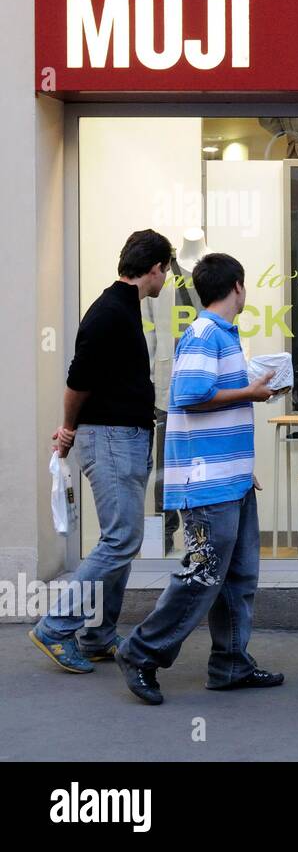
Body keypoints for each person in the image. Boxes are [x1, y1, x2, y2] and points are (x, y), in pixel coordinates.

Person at [115, 253, 279, 705]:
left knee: (238, 577)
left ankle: (230, 664)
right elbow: (189, 396)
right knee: (202, 574)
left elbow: (207, 407)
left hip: (230, 480)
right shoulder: (206, 333)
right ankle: (141, 652)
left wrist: (244, 470)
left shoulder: (220, 333)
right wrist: (252, 391)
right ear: (239, 288)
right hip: (208, 487)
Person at [30, 229, 173, 673]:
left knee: (121, 539)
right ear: (154, 270)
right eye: (165, 271)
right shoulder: (110, 311)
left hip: (123, 436)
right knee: (121, 538)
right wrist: (68, 428)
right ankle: (55, 627)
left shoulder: (125, 309)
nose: (166, 279)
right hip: (110, 438)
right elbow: (78, 379)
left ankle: (98, 635)